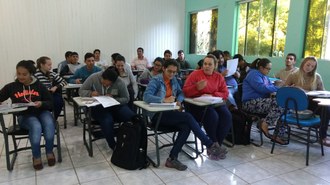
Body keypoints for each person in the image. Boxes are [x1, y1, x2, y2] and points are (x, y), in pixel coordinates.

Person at [143, 59, 224, 171]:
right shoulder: (156, 80)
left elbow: (181, 93)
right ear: (163, 69)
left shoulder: (174, 80)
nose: (172, 74)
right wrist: (163, 100)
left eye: (174, 72)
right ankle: (209, 144)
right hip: (158, 116)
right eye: (169, 71)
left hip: (171, 114)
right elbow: (146, 97)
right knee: (187, 117)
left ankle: (172, 158)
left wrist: (179, 101)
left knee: (186, 126)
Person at [0, 60, 56, 170]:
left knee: (49, 124)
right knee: (36, 126)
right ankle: (36, 156)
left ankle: (49, 152)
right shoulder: (11, 87)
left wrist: (42, 103)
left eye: (24, 74)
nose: (21, 76)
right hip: (24, 115)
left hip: (41, 111)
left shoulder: (39, 85)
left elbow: (50, 102)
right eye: (18, 73)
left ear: (31, 74)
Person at [183, 54, 232, 155]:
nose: (207, 66)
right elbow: (185, 91)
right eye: (205, 64)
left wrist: (212, 94)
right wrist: (196, 88)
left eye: (210, 64)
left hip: (214, 103)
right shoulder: (195, 74)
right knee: (213, 116)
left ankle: (217, 144)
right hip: (197, 106)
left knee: (227, 116)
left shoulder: (218, 76)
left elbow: (225, 93)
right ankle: (213, 144)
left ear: (215, 66)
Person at [79, 67, 135, 150]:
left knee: (133, 117)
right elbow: (81, 91)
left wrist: (114, 99)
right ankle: (114, 146)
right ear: (102, 77)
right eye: (104, 83)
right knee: (107, 121)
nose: (106, 86)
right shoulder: (93, 77)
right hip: (99, 107)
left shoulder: (120, 82)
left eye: (108, 85)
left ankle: (132, 142)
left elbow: (126, 98)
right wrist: (91, 93)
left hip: (115, 106)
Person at [285, 56, 330, 146]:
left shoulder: (316, 77)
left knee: (327, 108)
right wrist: (293, 89)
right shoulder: (293, 75)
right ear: (303, 64)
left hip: (312, 103)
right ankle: (321, 133)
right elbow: (284, 89)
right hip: (298, 104)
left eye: (312, 66)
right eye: (308, 65)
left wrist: (307, 92)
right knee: (326, 111)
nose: (309, 67)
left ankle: (322, 135)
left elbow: (323, 92)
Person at [242, 58, 284, 144]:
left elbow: (269, 86)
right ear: (261, 68)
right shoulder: (253, 74)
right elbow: (262, 88)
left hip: (260, 102)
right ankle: (265, 124)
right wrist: (278, 88)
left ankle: (278, 134)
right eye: (268, 68)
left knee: (285, 104)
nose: (269, 71)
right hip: (250, 102)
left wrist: (276, 85)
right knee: (279, 103)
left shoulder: (264, 76)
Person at [35, 56, 67, 120]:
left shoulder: (52, 73)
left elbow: (64, 82)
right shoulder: (35, 74)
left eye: (51, 65)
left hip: (50, 93)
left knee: (59, 101)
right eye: (49, 65)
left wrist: (56, 87)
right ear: (42, 65)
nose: (51, 67)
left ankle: (53, 119)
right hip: (39, 95)